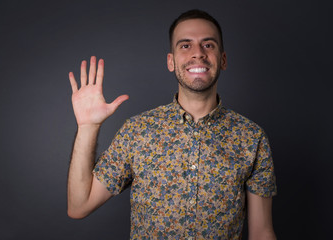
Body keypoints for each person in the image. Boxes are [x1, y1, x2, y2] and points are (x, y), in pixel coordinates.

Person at [67, 9, 277, 240]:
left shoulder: (251, 138)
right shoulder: (137, 131)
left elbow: (261, 232)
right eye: (185, 45)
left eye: (208, 45)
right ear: (171, 61)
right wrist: (87, 127)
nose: (198, 53)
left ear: (223, 60)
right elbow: (79, 206)